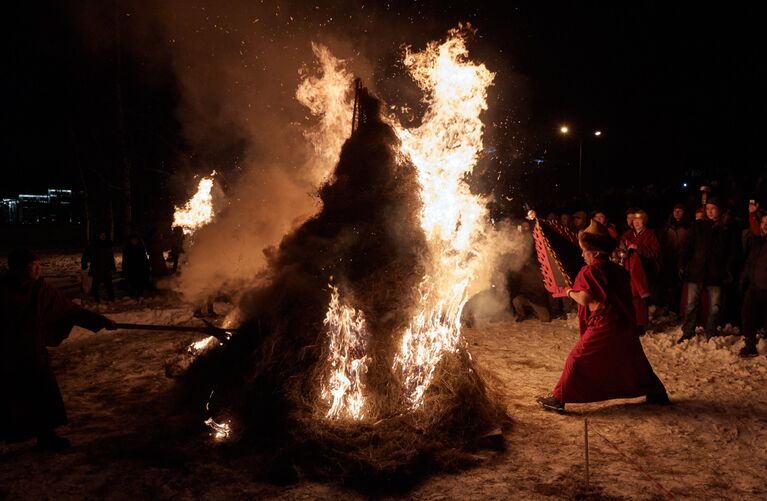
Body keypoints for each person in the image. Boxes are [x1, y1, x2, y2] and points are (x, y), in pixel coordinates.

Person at [536, 220, 668, 413]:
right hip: (624, 322)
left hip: (605, 324)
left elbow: (585, 298)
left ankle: (558, 398)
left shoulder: (590, 271)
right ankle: (656, 393)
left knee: (576, 358)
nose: (582, 255)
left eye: (585, 251)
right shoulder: (619, 270)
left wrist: (568, 291)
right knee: (632, 358)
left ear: (596, 252)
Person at [1, 249, 115, 450]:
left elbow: (69, 310)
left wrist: (100, 321)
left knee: (43, 393)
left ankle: (46, 436)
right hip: (7, 354)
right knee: (9, 397)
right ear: (18, 269)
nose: (38, 269)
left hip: (33, 352)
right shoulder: (3, 290)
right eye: (32, 265)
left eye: (39, 265)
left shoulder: (41, 289)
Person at [678, 198, 739, 343]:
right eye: (708, 208)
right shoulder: (698, 226)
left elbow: (732, 252)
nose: (710, 211)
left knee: (715, 307)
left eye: (714, 208)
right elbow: (687, 246)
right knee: (691, 304)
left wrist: (728, 270)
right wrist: (682, 264)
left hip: (716, 273)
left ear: (720, 210)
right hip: (697, 270)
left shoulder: (727, 228)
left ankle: (711, 331)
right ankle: (688, 331)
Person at [620, 210, 662, 334]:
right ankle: (630, 321)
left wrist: (638, 248)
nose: (636, 223)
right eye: (634, 221)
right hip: (627, 270)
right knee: (630, 296)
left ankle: (640, 324)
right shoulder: (627, 235)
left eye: (639, 221)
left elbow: (655, 253)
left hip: (644, 270)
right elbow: (619, 249)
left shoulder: (650, 235)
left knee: (637, 296)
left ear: (644, 222)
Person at [738, 212, 767, 357]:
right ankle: (750, 344)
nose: (765, 226)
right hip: (754, 285)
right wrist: (744, 279)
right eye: (763, 223)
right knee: (748, 314)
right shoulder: (758, 241)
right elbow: (750, 262)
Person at [661, 204, 690, 314]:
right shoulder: (668, 227)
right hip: (670, 259)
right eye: (675, 210)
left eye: (680, 211)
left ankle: (680, 308)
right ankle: (670, 306)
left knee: (681, 284)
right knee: (670, 284)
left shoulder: (688, 227)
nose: (677, 213)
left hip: (683, 259)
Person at [81, 229, 116, 302]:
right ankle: (96, 299)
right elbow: (86, 255)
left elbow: (111, 257)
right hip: (96, 268)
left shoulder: (108, 244)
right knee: (95, 285)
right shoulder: (93, 245)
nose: (103, 237)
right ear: (98, 236)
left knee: (109, 284)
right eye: (101, 235)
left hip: (106, 268)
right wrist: (84, 264)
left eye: (104, 235)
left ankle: (112, 298)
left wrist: (113, 267)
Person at [122, 233, 150, 298]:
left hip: (140, 267)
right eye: (133, 240)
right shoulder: (127, 248)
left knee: (140, 281)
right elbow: (125, 259)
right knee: (132, 281)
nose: (134, 241)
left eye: (135, 240)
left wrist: (146, 266)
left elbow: (144, 258)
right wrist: (124, 268)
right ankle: (132, 293)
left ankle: (140, 293)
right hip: (131, 268)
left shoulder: (141, 247)